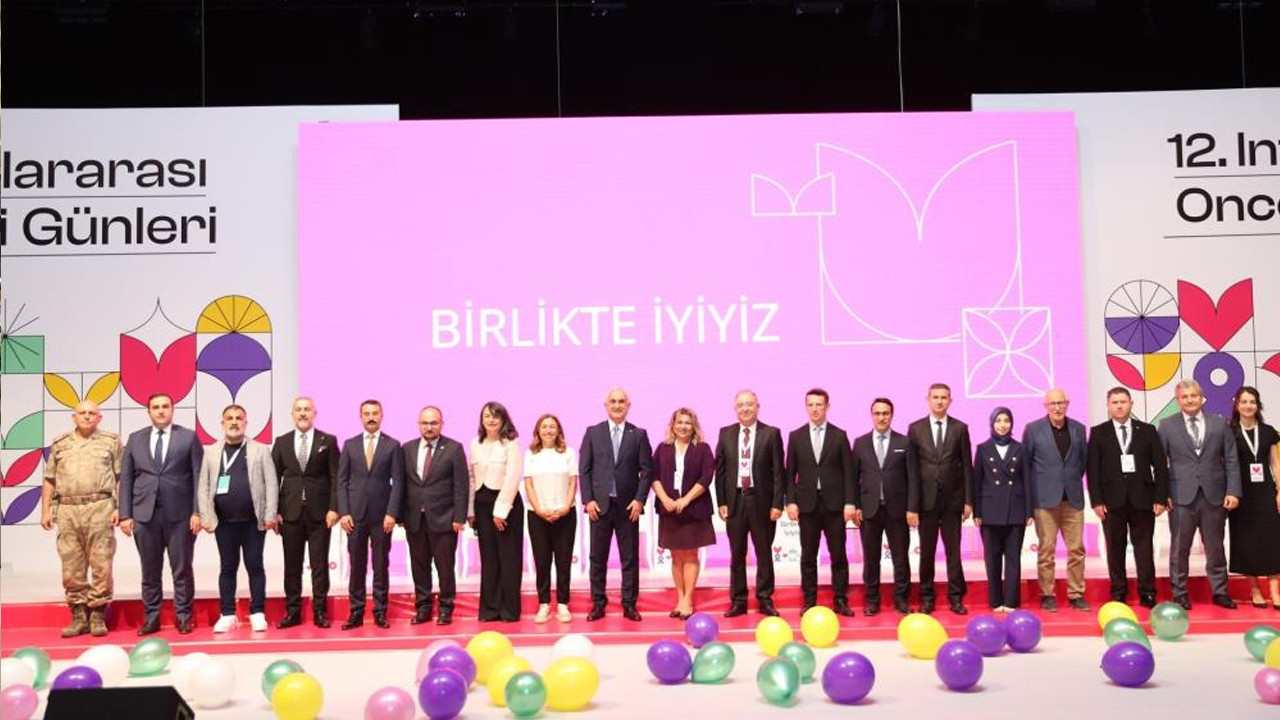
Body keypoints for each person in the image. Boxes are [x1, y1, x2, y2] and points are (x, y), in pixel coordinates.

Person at [119, 392, 204, 635]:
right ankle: (152, 618)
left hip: (180, 516)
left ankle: (184, 617)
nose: (161, 411)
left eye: (165, 406)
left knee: (182, 570)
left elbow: (199, 477)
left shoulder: (188, 437)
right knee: (149, 571)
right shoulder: (135, 439)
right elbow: (126, 478)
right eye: (155, 407)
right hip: (144, 515)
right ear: (149, 411)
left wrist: (197, 512)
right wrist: (125, 514)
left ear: (172, 409)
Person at [41, 400, 123, 637]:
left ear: (99, 418)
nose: (87, 416)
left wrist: (121, 507)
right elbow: (50, 479)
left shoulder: (111, 441)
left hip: (100, 507)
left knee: (101, 563)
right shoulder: (60, 444)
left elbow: (120, 477)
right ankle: (78, 615)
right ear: (73, 417)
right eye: (82, 413)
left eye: (92, 413)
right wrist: (45, 510)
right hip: (67, 509)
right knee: (71, 565)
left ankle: (97, 614)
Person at [1158, 379, 1241, 610]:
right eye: (1184, 397)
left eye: (1193, 396)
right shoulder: (1166, 425)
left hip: (1214, 495)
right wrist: (1163, 494)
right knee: (1179, 548)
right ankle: (1180, 593)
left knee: (1215, 548)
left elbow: (1231, 459)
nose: (1189, 400)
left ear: (1201, 397)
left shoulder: (1219, 423)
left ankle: (1220, 592)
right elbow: (1159, 464)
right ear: (1177, 400)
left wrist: (1233, 491)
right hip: (1180, 496)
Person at [197, 404, 278, 633]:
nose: (234, 422)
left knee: (255, 566)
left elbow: (271, 484)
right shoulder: (212, 451)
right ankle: (227, 614)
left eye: (239, 418)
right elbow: (203, 486)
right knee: (227, 567)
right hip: (223, 523)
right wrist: (206, 517)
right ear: (222, 423)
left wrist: (270, 514)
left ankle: (258, 612)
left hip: (253, 522)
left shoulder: (260, 449)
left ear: (245, 422)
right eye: (229, 418)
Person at [1085, 387, 1168, 608]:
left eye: (1123, 401)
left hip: (1143, 499)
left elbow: (1161, 467)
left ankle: (1147, 592)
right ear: (1108, 405)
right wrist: (1096, 501)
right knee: (1115, 549)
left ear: (1131, 404)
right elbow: (1092, 470)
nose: (1119, 406)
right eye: (1115, 402)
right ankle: (1119, 592)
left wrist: (1160, 497)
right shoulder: (1098, 432)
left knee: (1144, 549)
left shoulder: (1148, 430)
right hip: (1111, 502)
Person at [580, 388, 653, 622]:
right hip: (599, 508)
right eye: (613, 401)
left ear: (628, 405)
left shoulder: (638, 434)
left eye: (622, 401)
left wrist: (639, 500)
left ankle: (629, 604)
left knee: (629, 559)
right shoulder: (593, 433)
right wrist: (588, 500)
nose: (617, 405)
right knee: (597, 559)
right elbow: (584, 470)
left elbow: (647, 471)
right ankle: (598, 604)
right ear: (606, 405)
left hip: (628, 508)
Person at [715, 390, 786, 618]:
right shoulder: (725, 433)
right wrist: (722, 501)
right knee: (737, 554)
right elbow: (720, 471)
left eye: (749, 404)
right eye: (741, 405)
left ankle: (765, 599)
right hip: (735, 501)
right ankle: (738, 601)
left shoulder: (771, 433)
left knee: (764, 553)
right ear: (735, 408)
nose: (745, 408)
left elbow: (778, 472)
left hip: (762, 502)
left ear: (757, 407)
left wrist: (778, 503)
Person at [271, 396, 340, 629]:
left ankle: (320, 612)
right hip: (289, 515)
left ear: (314, 413)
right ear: (292, 414)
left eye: (307, 409)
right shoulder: (281, 442)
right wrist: (275, 511)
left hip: (320, 515)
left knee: (319, 565)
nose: (303, 413)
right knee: (292, 566)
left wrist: (334, 508)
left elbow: (335, 477)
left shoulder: (327, 441)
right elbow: (273, 479)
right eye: (299, 409)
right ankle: (292, 612)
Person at [786, 388, 856, 616]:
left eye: (819, 404)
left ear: (827, 407)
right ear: (806, 407)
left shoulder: (839, 435)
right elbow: (790, 474)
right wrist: (791, 501)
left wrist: (850, 502)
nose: (815, 409)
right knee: (808, 555)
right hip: (807, 506)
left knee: (838, 555)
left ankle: (841, 600)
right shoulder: (796, 436)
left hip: (835, 506)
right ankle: (809, 600)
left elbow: (849, 473)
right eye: (811, 405)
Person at [337, 399, 403, 629]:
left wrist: (392, 513)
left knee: (380, 565)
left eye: (375, 413)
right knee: (356, 566)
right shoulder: (350, 444)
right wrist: (343, 512)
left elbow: (398, 483)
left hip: (382, 517)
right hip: (354, 517)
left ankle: (380, 611)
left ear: (382, 416)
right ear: (361, 417)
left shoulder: (393, 445)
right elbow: (341, 481)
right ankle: (355, 612)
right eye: (367, 413)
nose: (371, 417)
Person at [906, 383, 972, 615]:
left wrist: (968, 500)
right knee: (927, 553)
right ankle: (927, 597)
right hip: (926, 502)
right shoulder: (915, 429)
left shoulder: (960, 428)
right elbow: (912, 471)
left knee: (954, 553)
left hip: (953, 501)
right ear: (928, 399)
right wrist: (912, 506)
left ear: (950, 401)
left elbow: (967, 467)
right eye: (935, 397)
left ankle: (956, 597)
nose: (939, 401)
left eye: (944, 397)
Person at [1021, 388, 1089, 612]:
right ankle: (1047, 595)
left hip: (1073, 499)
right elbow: (1026, 464)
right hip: (1044, 500)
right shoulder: (1033, 429)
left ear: (1067, 404)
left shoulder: (1079, 428)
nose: (1057, 407)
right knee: (1046, 551)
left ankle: (1076, 594)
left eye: (1061, 403)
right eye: (1053, 404)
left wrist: (1067, 482)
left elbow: (1082, 462)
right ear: (1046, 406)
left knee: (1076, 550)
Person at [850, 398, 918, 615]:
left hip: (897, 510)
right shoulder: (860, 443)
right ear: (872, 415)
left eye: (885, 413)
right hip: (869, 511)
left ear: (892, 415)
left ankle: (901, 599)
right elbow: (853, 479)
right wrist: (856, 505)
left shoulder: (904, 442)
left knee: (901, 558)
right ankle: (872, 600)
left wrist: (912, 508)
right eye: (877, 413)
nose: (881, 417)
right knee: (871, 559)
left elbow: (913, 478)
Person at [402, 406, 469, 625]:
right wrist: (400, 515)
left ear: (441, 424)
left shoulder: (454, 448)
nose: (429, 427)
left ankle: (446, 608)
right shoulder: (407, 449)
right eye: (425, 423)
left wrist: (459, 517)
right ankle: (423, 608)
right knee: (419, 567)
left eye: (433, 423)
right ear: (419, 424)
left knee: (445, 567)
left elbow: (461, 486)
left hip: (445, 519)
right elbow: (402, 485)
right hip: (415, 519)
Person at [652, 407, 716, 619]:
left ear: (694, 426)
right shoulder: (663, 448)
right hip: (669, 509)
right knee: (676, 556)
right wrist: (665, 499)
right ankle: (679, 598)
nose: (683, 426)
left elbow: (706, 477)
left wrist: (686, 499)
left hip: (694, 509)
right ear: (673, 425)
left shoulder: (703, 448)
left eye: (688, 423)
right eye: (679, 422)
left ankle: (688, 599)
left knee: (690, 555)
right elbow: (653, 475)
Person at [973, 407, 1032, 612]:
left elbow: (1027, 481)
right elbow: (977, 482)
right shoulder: (983, 448)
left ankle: (1011, 601)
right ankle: (995, 601)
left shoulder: (1020, 448)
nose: (1003, 424)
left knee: (1013, 558)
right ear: (992, 423)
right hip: (989, 511)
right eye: (998, 420)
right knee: (992, 558)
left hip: (1015, 509)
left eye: (1006, 420)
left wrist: (1028, 511)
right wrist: (977, 512)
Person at [470, 401, 525, 622]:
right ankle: (490, 609)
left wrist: (500, 511)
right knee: (489, 558)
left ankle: (509, 610)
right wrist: (471, 510)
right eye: (487, 416)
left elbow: (513, 477)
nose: (491, 420)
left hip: (506, 505)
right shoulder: (475, 443)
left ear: (503, 420)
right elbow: (472, 477)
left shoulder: (511, 444)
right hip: (482, 505)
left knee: (509, 558)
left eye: (495, 416)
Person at [1227, 386, 1280, 609]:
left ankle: (1274, 592)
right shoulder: (1229, 432)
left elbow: (1275, 464)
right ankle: (1255, 589)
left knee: (1272, 541)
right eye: (1244, 401)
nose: (1248, 406)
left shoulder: (1268, 431)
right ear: (1237, 405)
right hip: (1240, 495)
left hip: (1266, 493)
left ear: (1258, 405)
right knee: (1246, 542)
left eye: (1252, 402)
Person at [524, 413, 578, 623]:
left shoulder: (568, 453)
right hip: (538, 515)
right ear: (538, 431)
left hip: (565, 514)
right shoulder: (530, 454)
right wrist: (539, 509)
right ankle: (544, 604)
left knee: (563, 562)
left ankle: (563, 604)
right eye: (544, 426)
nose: (548, 430)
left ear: (558, 431)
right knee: (542, 561)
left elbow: (573, 483)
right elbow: (528, 484)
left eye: (552, 426)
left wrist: (565, 508)